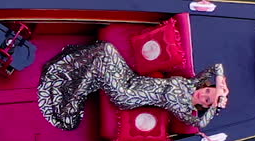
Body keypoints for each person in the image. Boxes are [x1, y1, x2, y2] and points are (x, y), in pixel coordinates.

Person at [37, 41, 229, 131]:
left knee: (98, 64)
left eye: (206, 100)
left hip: (126, 95)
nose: (203, 96)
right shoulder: (191, 83)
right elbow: (217, 66)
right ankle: (72, 77)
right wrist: (220, 84)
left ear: (204, 106)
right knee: (106, 49)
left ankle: (72, 100)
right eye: (207, 91)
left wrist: (216, 105)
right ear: (204, 86)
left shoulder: (184, 108)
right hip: (130, 78)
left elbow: (201, 124)